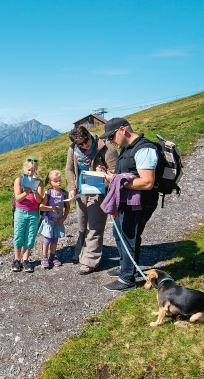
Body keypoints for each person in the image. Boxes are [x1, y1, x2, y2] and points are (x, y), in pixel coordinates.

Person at [99, 117, 159, 292]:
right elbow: (127, 173)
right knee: (120, 234)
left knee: (128, 237)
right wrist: (110, 174)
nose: (110, 141)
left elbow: (147, 182)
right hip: (127, 201)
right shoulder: (128, 149)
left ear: (122, 130)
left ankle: (127, 279)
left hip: (139, 203)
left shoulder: (144, 149)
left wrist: (116, 181)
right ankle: (126, 267)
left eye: (111, 137)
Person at [65, 125, 118, 274]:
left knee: (95, 225)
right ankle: (80, 253)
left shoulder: (106, 147)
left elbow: (115, 171)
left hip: (98, 191)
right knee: (82, 225)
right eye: (79, 144)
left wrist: (103, 173)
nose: (84, 145)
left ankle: (90, 261)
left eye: (85, 141)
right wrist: (71, 187)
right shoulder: (72, 149)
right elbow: (69, 169)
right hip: (81, 191)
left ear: (89, 134)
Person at [12, 157, 44, 273]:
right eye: (29, 170)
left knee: (30, 237)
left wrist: (35, 191)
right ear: (24, 169)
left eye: (34, 170)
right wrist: (26, 192)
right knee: (18, 235)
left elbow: (40, 200)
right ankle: (16, 259)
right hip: (20, 212)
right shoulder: (19, 180)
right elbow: (17, 198)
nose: (31, 172)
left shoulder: (39, 182)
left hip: (33, 213)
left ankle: (25, 260)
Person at [38, 170, 70, 268]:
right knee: (47, 239)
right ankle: (44, 257)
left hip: (58, 221)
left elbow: (67, 207)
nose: (59, 183)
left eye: (60, 180)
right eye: (55, 181)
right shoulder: (48, 193)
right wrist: (52, 208)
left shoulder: (64, 193)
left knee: (55, 240)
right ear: (50, 182)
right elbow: (41, 207)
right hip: (49, 220)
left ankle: (52, 256)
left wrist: (63, 218)